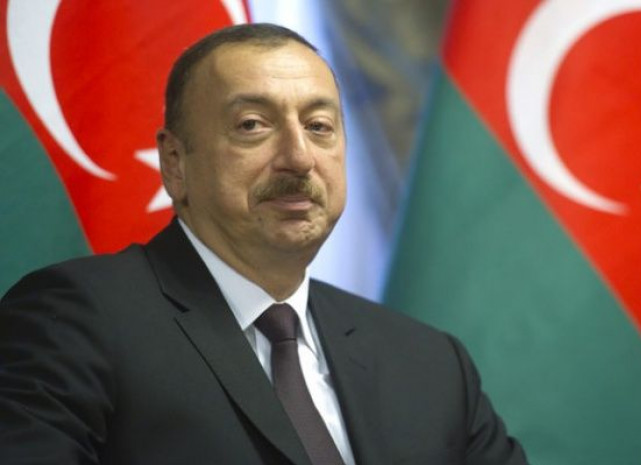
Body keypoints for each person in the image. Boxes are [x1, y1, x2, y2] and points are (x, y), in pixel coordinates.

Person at [0, 23, 528, 465]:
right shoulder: (73, 321)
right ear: (176, 164)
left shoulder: (430, 363)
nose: (299, 157)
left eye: (319, 126)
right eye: (253, 125)